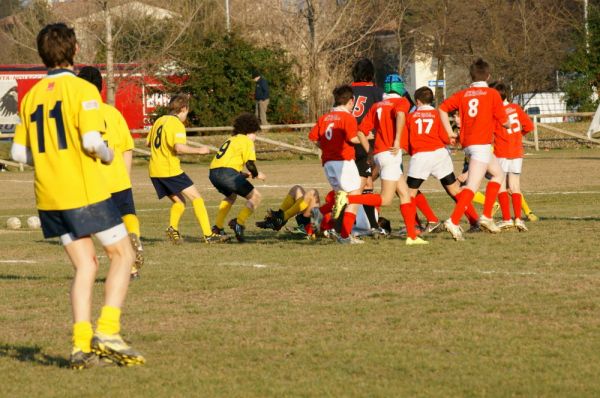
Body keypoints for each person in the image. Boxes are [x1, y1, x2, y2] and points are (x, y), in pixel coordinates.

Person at [11, 23, 144, 368]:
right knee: (123, 255)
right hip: (82, 190)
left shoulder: (32, 96)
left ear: (42, 55)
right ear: (74, 51)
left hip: (49, 197)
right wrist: (108, 154)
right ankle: (109, 332)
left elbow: (18, 155)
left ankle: (80, 345)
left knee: (86, 265)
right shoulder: (83, 90)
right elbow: (90, 142)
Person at [77, 66, 143, 280]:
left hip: (93, 183)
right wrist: (125, 178)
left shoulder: (77, 115)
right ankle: (134, 243)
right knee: (128, 216)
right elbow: (127, 148)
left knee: (104, 228)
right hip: (118, 179)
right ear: (101, 87)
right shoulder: (113, 113)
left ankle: (126, 263)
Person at [438, 58, 509, 240]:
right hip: (482, 145)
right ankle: (453, 221)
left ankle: (486, 216)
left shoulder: (464, 94)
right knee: (472, 186)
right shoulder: (492, 94)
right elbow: (505, 121)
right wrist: (506, 124)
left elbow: (442, 108)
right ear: (488, 76)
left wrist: (450, 132)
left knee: (498, 175)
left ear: (471, 75)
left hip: (469, 144)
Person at [355, 74, 428, 245]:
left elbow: (360, 131)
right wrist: (396, 140)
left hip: (381, 154)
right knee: (386, 199)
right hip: (391, 154)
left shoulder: (377, 105)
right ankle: (349, 199)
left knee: (405, 194)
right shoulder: (401, 102)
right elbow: (401, 116)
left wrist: (370, 152)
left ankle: (412, 236)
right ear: (400, 87)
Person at [147, 94, 226, 244]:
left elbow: (148, 143)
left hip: (154, 170)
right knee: (197, 198)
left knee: (179, 203)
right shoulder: (176, 124)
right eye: (187, 111)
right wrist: (199, 151)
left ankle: (172, 229)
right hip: (169, 169)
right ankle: (208, 235)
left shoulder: (159, 120)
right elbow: (179, 147)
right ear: (183, 108)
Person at [308, 84, 382, 244]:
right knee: (355, 197)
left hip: (328, 163)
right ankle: (345, 236)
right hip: (344, 162)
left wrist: (326, 147)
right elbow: (352, 139)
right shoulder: (347, 118)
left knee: (343, 197)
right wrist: (367, 137)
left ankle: (320, 213)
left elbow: (313, 137)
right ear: (350, 101)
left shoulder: (325, 117)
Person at [404, 87, 480, 232]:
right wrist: (451, 140)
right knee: (454, 190)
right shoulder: (437, 114)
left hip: (421, 156)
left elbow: (406, 140)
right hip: (440, 154)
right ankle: (474, 220)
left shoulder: (411, 116)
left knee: (408, 193)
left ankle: (416, 226)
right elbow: (445, 137)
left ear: (417, 101)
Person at [209, 113, 265, 242]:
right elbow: (250, 164)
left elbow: (226, 165)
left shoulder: (232, 139)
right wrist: (256, 174)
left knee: (231, 196)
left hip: (213, 173)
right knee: (256, 197)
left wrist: (246, 175)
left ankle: (217, 227)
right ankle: (238, 223)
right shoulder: (246, 141)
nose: (255, 136)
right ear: (249, 130)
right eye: (255, 133)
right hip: (227, 174)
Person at [489, 81, 534, 231]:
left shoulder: (496, 113)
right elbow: (529, 126)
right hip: (516, 152)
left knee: (501, 186)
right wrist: (518, 136)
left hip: (501, 152)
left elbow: (490, 134)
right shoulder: (516, 108)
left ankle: (507, 219)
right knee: (515, 186)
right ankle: (519, 219)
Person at [350, 58, 385, 235]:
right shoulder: (377, 92)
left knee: (357, 182)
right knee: (367, 182)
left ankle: (369, 223)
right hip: (366, 142)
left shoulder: (346, 91)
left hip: (347, 142)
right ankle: (372, 224)